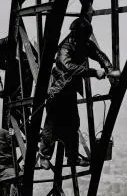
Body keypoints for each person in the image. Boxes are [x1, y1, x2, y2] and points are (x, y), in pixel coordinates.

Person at [39, 17, 118, 170]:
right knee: (52, 124)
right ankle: (44, 157)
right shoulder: (65, 48)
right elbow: (69, 67)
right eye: (85, 35)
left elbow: (98, 54)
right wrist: (94, 72)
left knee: (73, 122)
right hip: (57, 90)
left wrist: (108, 68)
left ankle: (72, 157)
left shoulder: (83, 43)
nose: (87, 39)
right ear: (78, 34)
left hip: (68, 90)